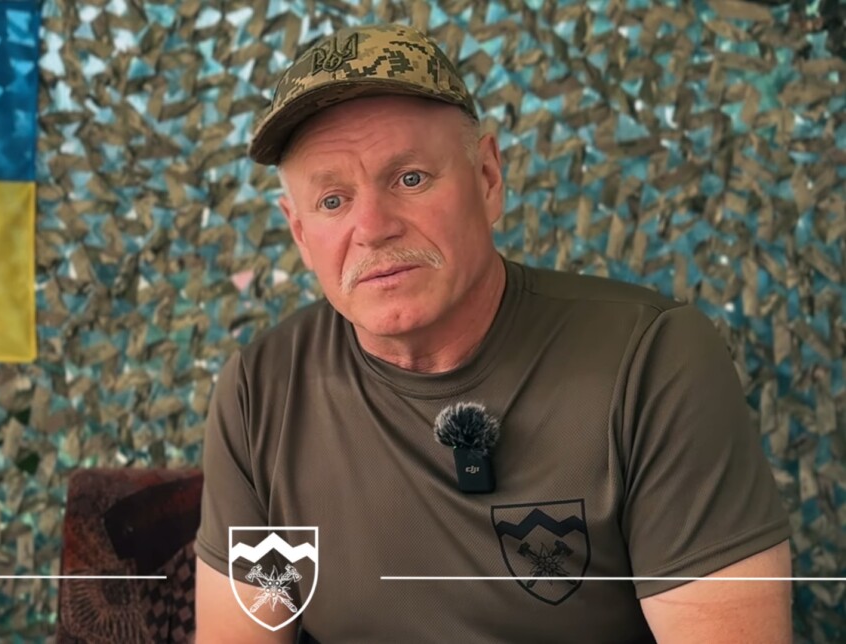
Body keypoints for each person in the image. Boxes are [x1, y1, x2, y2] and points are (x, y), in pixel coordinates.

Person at [192, 23, 793, 644]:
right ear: (298, 231)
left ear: (487, 177)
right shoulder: (260, 393)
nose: (372, 228)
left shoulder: (652, 361)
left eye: (410, 179)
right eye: (333, 201)